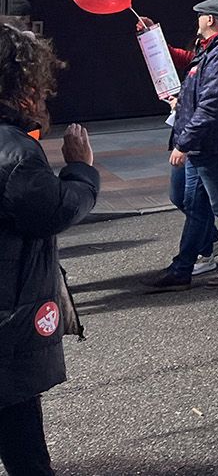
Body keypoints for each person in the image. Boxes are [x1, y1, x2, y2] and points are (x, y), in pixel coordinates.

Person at [0, 25, 98, 476]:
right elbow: (53, 211)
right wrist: (80, 169)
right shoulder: (16, 152)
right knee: (24, 445)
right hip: (8, 319)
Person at [141, 0, 218, 292]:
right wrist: (152, 39)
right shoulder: (212, 50)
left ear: (211, 20)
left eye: (201, 16)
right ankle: (183, 268)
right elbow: (185, 62)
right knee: (192, 204)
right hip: (202, 144)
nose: (197, 20)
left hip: (215, 145)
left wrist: (183, 142)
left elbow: (211, 106)